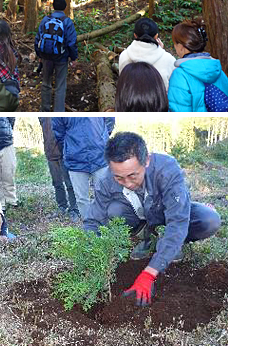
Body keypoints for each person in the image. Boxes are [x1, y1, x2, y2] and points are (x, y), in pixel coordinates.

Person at [84, 131, 221, 306]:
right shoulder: (105, 180)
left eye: (133, 175)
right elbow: (93, 220)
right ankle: (145, 237)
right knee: (114, 210)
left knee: (209, 220)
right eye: (119, 177)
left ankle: (170, 243)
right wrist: (91, 256)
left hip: (167, 211)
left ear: (146, 160)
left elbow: (178, 221)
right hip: (139, 216)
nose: (127, 183)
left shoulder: (167, 169)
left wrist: (149, 273)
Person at [52, 117, 115, 219]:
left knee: (104, 194)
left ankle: (105, 225)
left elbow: (109, 119)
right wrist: (71, 148)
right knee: (81, 198)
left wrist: (102, 138)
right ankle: (90, 227)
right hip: (76, 160)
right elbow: (58, 132)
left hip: (100, 156)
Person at [168, 19, 228, 112]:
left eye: (175, 43)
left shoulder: (180, 75)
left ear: (180, 47)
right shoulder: (218, 70)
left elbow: (179, 114)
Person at [35, 0, 78, 111]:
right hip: (61, 58)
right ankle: (58, 111)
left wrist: (39, 55)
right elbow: (71, 42)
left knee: (46, 83)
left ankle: (45, 109)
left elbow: (38, 38)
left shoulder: (45, 20)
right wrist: (73, 58)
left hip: (46, 57)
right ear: (64, 7)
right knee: (60, 85)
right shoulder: (67, 22)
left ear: (53, 7)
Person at [39, 117, 79, 222]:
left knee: (69, 183)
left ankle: (74, 209)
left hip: (64, 153)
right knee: (57, 183)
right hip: (50, 153)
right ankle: (62, 206)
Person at [119, 17, 175, 90]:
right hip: (160, 101)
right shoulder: (169, 60)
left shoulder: (124, 56)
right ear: (156, 36)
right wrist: (161, 51)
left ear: (135, 35)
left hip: (129, 100)